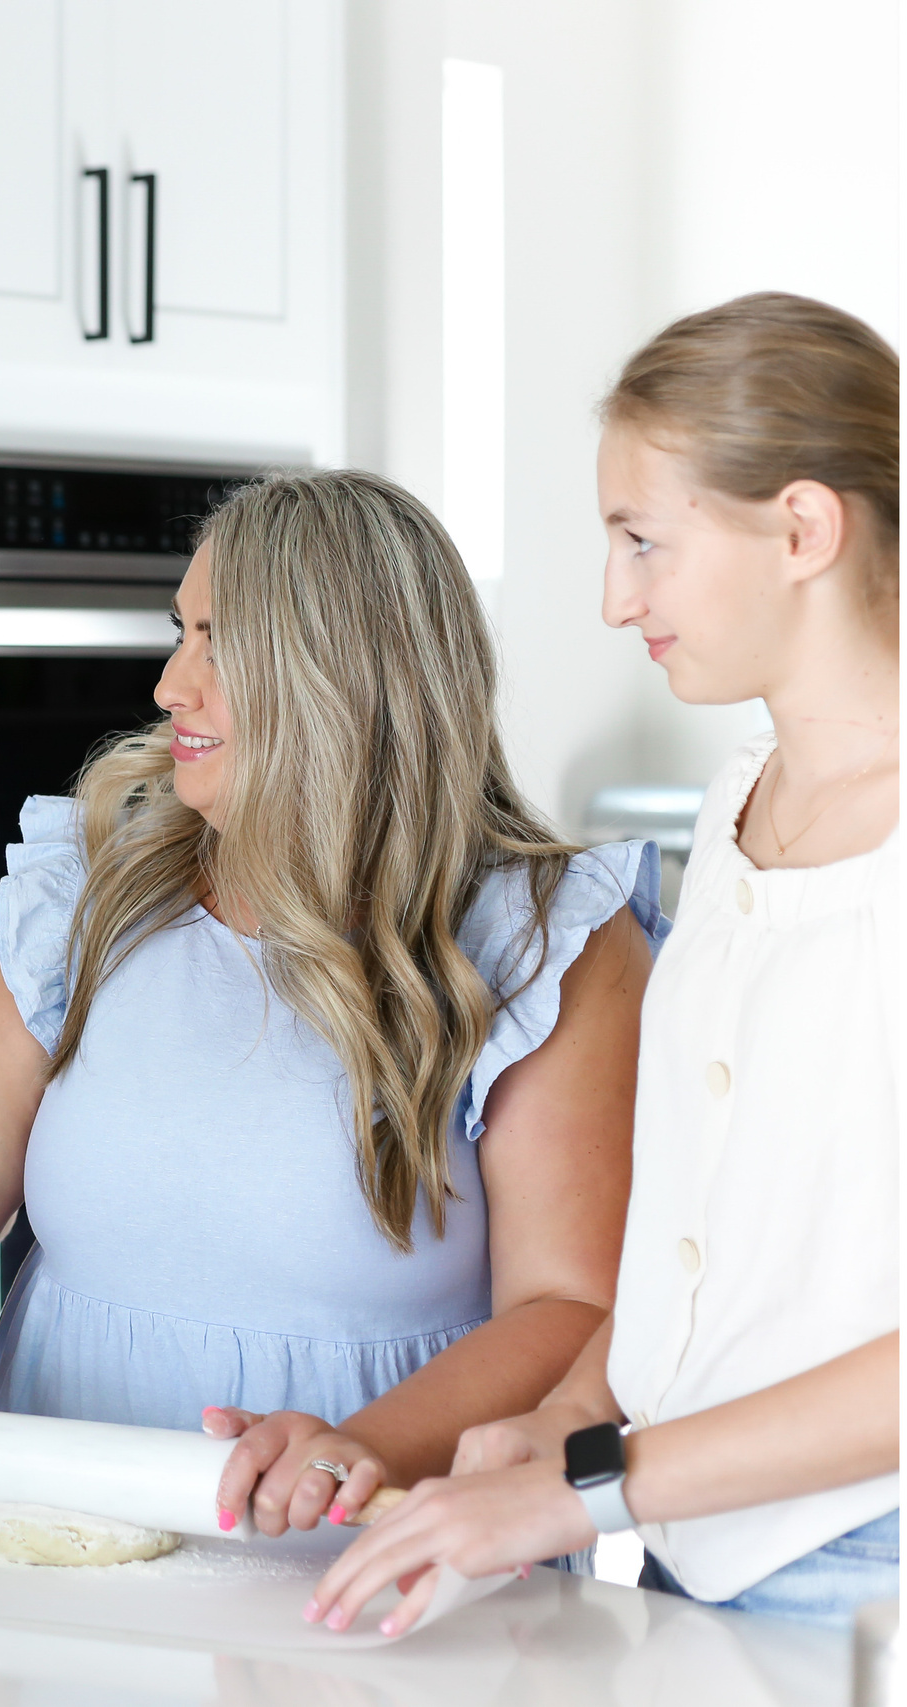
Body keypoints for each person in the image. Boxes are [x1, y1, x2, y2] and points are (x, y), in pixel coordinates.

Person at [0, 469, 665, 1537]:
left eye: (215, 643)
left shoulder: (544, 938)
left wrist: (363, 1445)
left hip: (372, 1557)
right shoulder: (84, 895)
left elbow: (572, 1309)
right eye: (179, 633)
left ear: (344, 678)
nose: (168, 685)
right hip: (53, 1531)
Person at [310, 294, 898, 1635]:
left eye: (647, 541)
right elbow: (710, 1230)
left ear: (803, 528)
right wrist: (568, 1420)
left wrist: (590, 1492)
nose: (614, 595)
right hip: (703, 1563)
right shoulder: (742, 795)